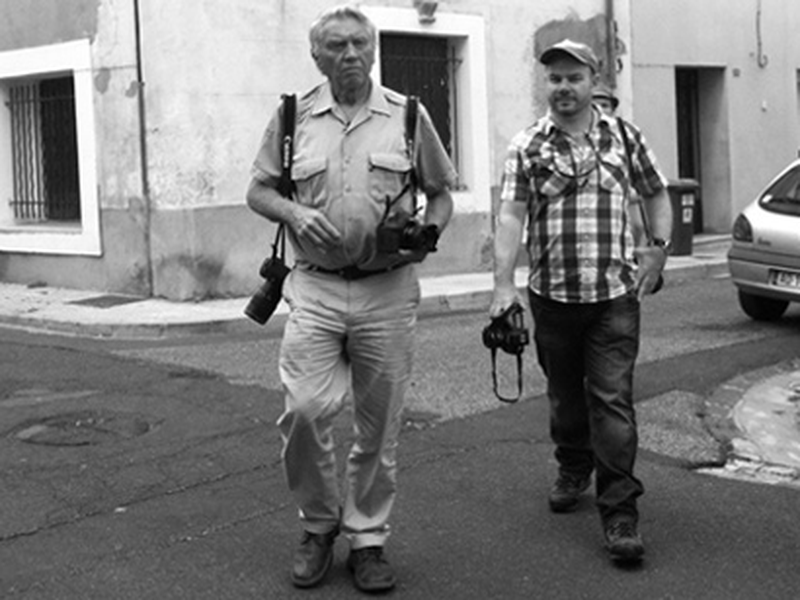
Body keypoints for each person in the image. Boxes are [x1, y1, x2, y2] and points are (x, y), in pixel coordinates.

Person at [246, 4, 456, 593]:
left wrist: (429, 236)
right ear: (318, 56)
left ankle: (367, 538)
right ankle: (318, 526)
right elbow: (257, 190)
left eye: (361, 43)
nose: (351, 55)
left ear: (374, 48)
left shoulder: (409, 117)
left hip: (387, 289)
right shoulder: (292, 117)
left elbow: (440, 194)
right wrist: (293, 211)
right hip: (312, 285)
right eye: (337, 46)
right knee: (305, 412)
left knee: (378, 423)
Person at [489, 39, 672, 564]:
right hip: (552, 298)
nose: (563, 87)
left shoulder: (624, 137)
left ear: (594, 80)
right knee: (566, 398)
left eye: (573, 77)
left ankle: (620, 514)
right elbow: (510, 217)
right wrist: (502, 286)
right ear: (544, 85)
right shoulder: (527, 145)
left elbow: (656, 192)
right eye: (554, 79)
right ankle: (574, 463)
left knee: (612, 401)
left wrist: (657, 250)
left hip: (614, 296)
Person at [591, 84, 647, 247]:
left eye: (605, 105)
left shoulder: (625, 133)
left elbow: (651, 183)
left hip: (628, 197)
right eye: (594, 105)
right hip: (598, 201)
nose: (600, 109)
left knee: (637, 230)